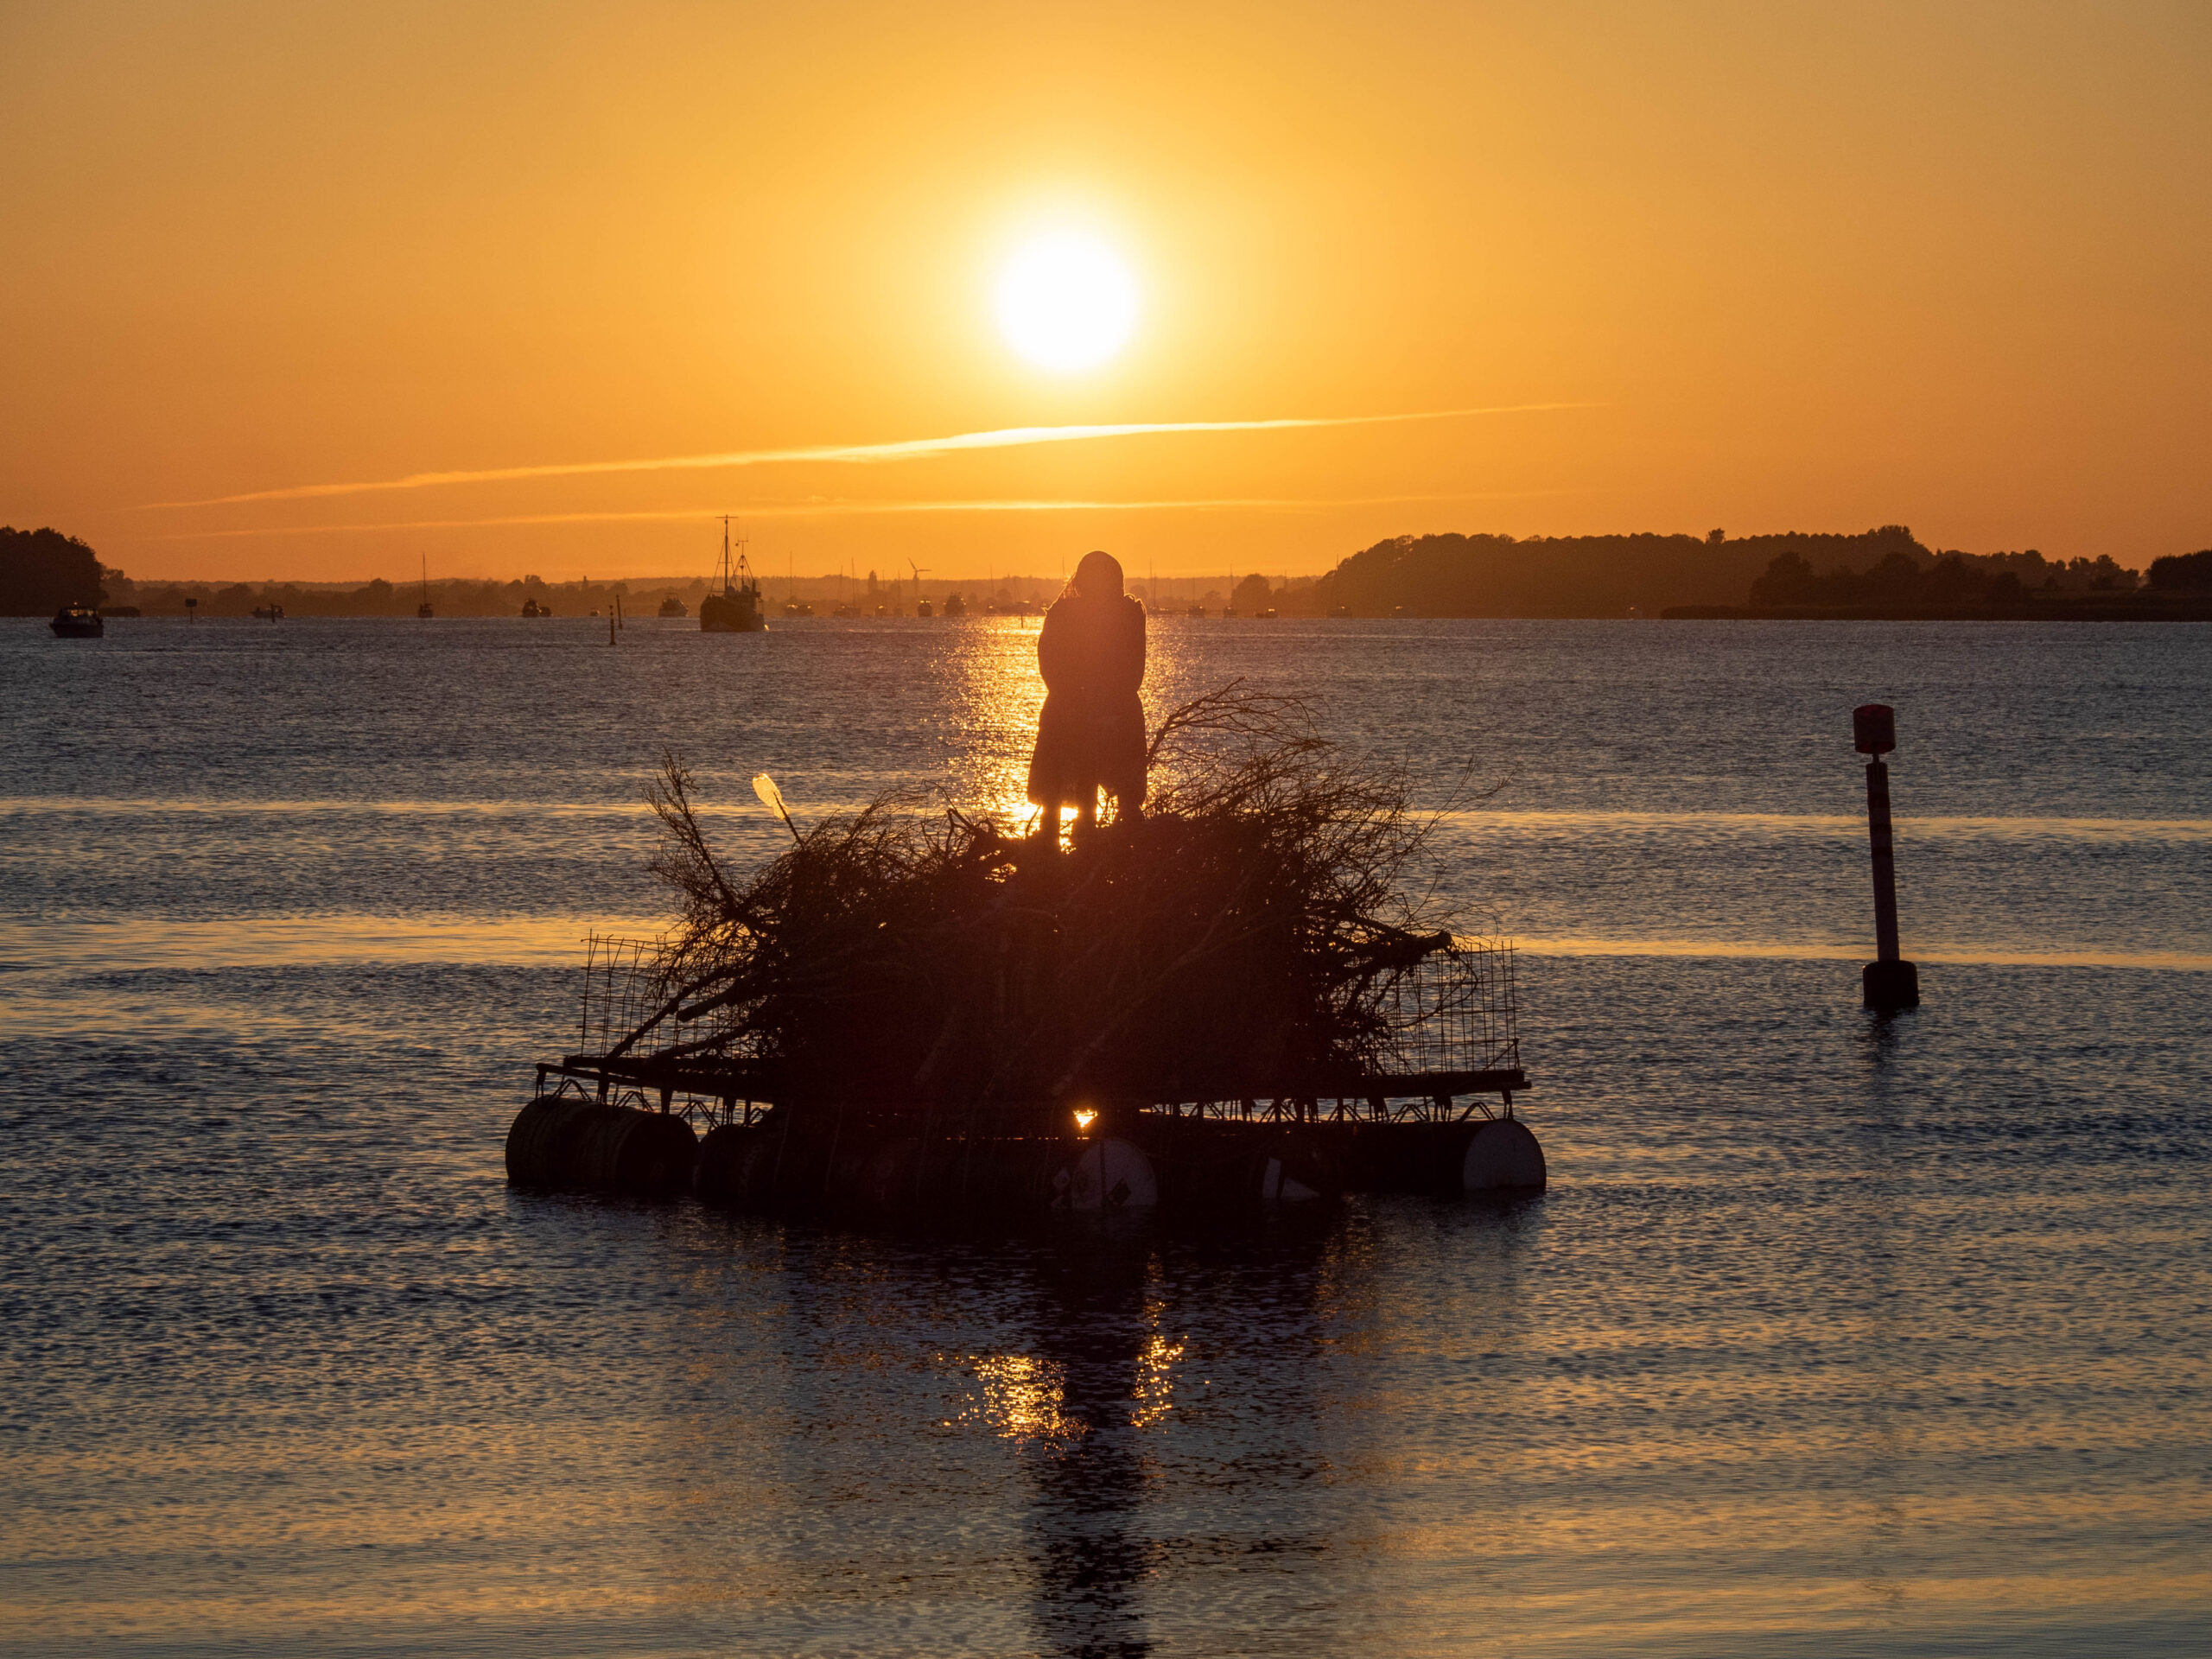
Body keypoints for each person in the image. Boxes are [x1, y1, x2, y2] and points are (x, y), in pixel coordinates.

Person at [1027, 550, 1146, 844]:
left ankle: (1098, 831)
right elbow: (1050, 665)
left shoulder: (1125, 614)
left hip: (1102, 707)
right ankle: (1061, 835)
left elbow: (1132, 670)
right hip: (1083, 706)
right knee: (1067, 769)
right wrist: (1080, 697)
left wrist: (1094, 699)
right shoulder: (1068, 613)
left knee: (1078, 765)